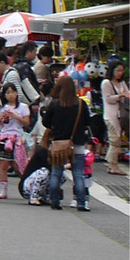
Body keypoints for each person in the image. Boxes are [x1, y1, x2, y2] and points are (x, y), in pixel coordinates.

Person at [37, 72, 94, 212]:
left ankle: (55, 201)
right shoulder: (80, 104)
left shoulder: (55, 104)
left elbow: (46, 122)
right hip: (77, 143)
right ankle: (81, 203)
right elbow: (87, 122)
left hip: (59, 143)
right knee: (78, 173)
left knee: (56, 172)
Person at [0, 83, 32, 198]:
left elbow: (27, 122)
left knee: (18, 164)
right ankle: (3, 189)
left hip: (17, 138)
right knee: (3, 164)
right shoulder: (2, 107)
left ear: (17, 93)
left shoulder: (23, 107)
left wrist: (16, 116)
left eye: (13, 92)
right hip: (4, 137)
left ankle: (27, 186)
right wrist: (2, 117)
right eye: (8, 93)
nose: (11, 95)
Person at [100, 60, 129, 176]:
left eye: (122, 70)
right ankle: (113, 165)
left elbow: (127, 93)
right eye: (118, 70)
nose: (120, 73)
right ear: (112, 70)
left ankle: (112, 165)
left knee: (117, 140)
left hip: (120, 115)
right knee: (114, 140)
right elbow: (108, 99)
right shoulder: (106, 83)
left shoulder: (122, 83)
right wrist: (120, 96)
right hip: (110, 115)